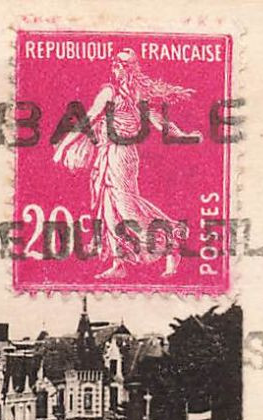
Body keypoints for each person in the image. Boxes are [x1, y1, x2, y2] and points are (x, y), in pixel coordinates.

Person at [52, 49, 193, 280]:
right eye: (115, 64)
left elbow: (156, 118)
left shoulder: (135, 93)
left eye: (122, 65)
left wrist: (180, 133)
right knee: (108, 207)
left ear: (131, 69)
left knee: (128, 208)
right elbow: (90, 119)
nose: (117, 68)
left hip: (124, 155)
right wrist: (65, 145)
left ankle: (171, 246)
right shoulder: (109, 91)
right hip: (106, 155)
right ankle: (119, 263)